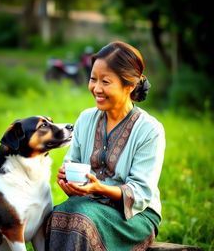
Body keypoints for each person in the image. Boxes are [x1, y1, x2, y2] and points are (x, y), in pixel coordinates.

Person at [45, 41, 166, 251]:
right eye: (93, 79)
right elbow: (71, 162)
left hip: (135, 215)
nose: (96, 88)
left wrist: (100, 187)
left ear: (129, 86)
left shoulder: (150, 130)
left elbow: (142, 193)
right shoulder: (85, 119)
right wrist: (66, 180)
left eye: (106, 81)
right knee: (55, 217)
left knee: (81, 223)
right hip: (89, 203)